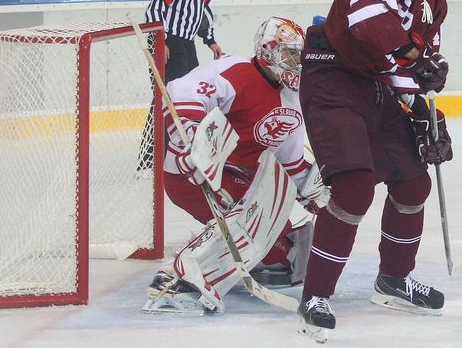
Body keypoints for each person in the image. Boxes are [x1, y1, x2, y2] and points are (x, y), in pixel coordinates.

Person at [296, 0, 462, 341]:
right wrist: (418, 60)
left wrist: (427, 116)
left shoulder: (436, 1)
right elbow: (365, 20)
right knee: (355, 187)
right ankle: (315, 294)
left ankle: (393, 280)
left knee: (414, 183)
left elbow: (411, 72)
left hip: (375, 85)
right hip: (333, 76)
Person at [141, 16, 329, 314]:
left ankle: (231, 250)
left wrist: (313, 193)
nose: (295, 62)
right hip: (193, 173)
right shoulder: (235, 71)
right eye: (288, 54)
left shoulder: (292, 97)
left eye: (298, 55)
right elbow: (179, 91)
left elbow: (288, 159)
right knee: (249, 225)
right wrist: (190, 135)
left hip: (240, 178)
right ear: (267, 50)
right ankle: (175, 277)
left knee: (284, 255)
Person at [138, 0, 223, 171]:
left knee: (190, 98)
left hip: (186, 44)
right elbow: (155, 8)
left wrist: (210, 39)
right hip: (170, 43)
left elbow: (201, 8)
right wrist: (159, 40)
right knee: (167, 100)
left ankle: (182, 153)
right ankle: (149, 161)